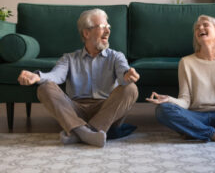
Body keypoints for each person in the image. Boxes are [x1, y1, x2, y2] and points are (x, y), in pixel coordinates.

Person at [18, 8, 140, 147]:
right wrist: (37, 76)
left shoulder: (116, 56)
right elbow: (55, 76)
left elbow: (123, 72)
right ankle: (87, 133)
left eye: (108, 27)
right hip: (75, 110)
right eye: (102, 27)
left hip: (106, 110)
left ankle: (79, 132)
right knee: (44, 87)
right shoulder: (69, 58)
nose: (108, 31)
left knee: (131, 88)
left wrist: (127, 75)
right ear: (86, 33)